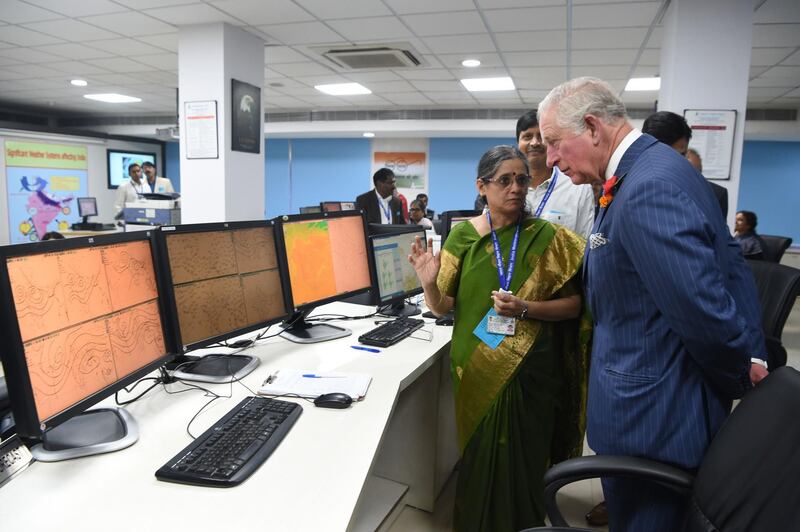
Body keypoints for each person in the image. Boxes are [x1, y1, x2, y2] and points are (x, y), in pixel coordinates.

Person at [538, 77, 768, 532]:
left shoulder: (647, 188)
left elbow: (701, 311)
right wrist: (751, 355)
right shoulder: (655, 169)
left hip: (653, 419)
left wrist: (740, 373)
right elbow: (730, 264)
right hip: (657, 400)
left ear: (592, 127)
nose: (549, 159)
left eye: (553, 143)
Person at [408, 145, 591, 531]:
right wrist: (428, 284)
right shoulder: (461, 237)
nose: (515, 188)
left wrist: (525, 308)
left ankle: (524, 523)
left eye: (522, 179)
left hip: (533, 368)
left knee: (524, 456)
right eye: (504, 180)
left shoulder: (550, 239)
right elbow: (443, 307)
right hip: (475, 365)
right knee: (479, 455)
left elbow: (574, 306)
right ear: (482, 186)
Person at [516, 109, 595, 238]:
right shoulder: (507, 188)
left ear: (552, 143)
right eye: (527, 136)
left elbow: (585, 241)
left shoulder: (577, 187)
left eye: (541, 137)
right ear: (518, 143)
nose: (535, 143)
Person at [642, 110, 728, 217]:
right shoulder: (626, 186)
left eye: (681, 155)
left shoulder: (711, 195)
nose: (675, 162)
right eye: (665, 155)